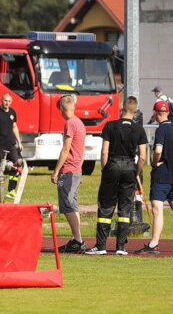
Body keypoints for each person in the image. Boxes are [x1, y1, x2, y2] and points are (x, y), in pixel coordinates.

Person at [85, 97, 147, 256]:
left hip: (112, 165)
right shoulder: (139, 129)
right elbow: (142, 157)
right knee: (125, 207)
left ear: (122, 109)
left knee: (106, 206)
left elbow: (104, 151)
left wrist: (105, 169)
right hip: (129, 167)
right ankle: (121, 247)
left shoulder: (110, 125)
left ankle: (101, 246)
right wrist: (136, 171)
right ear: (135, 111)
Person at [136, 101, 173, 254]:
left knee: (157, 209)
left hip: (161, 176)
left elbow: (158, 150)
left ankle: (154, 244)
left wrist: (154, 163)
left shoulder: (161, 130)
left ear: (156, 113)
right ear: (167, 113)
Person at [51, 95, 88, 253]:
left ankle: (78, 240)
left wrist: (56, 170)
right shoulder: (79, 122)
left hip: (68, 171)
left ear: (61, 109)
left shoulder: (70, 124)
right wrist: (80, 168)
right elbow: (82, 149)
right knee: (72, 204)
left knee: (67, 205)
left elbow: (66, 149)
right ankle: (76, 238)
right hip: (75, 169)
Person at [0, 93, 23, 201]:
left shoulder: (12, 112)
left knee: (17, 165)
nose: (7, 103)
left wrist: (19, 142)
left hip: (10, 144)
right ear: (1, 100)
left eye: (9, 101)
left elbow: (14, 127)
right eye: (5, 101)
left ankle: (11, 190)